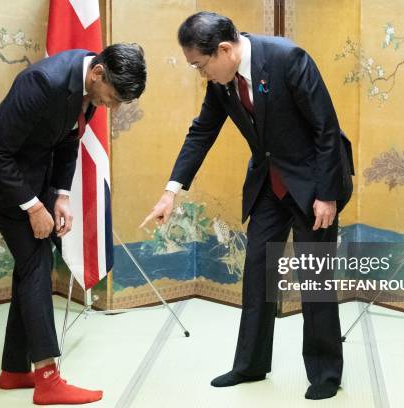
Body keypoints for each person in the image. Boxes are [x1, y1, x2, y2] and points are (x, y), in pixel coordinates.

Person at [140, 12, 353, 400]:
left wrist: (327, 194)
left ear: (224, 50)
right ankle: (251, 365)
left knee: (314, 279)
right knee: (256, 271)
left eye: (200, 66)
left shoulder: (289, 59)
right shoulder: (223, 81)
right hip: (269, 184)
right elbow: (202, 131)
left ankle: (325, 373)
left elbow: (326, 128)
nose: (201, 74)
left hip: (313, 183)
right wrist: (171, 191)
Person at [0, 44, 146, 405]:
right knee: (36, 264)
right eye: (112, 97)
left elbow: (68, 139)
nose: (113, 107)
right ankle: (47, 379)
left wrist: (61, 195)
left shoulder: (90, 85)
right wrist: (33, 207)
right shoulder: (41, 82)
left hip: (32, 173)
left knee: (32, 264)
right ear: (97, 74)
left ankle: (15, 370)